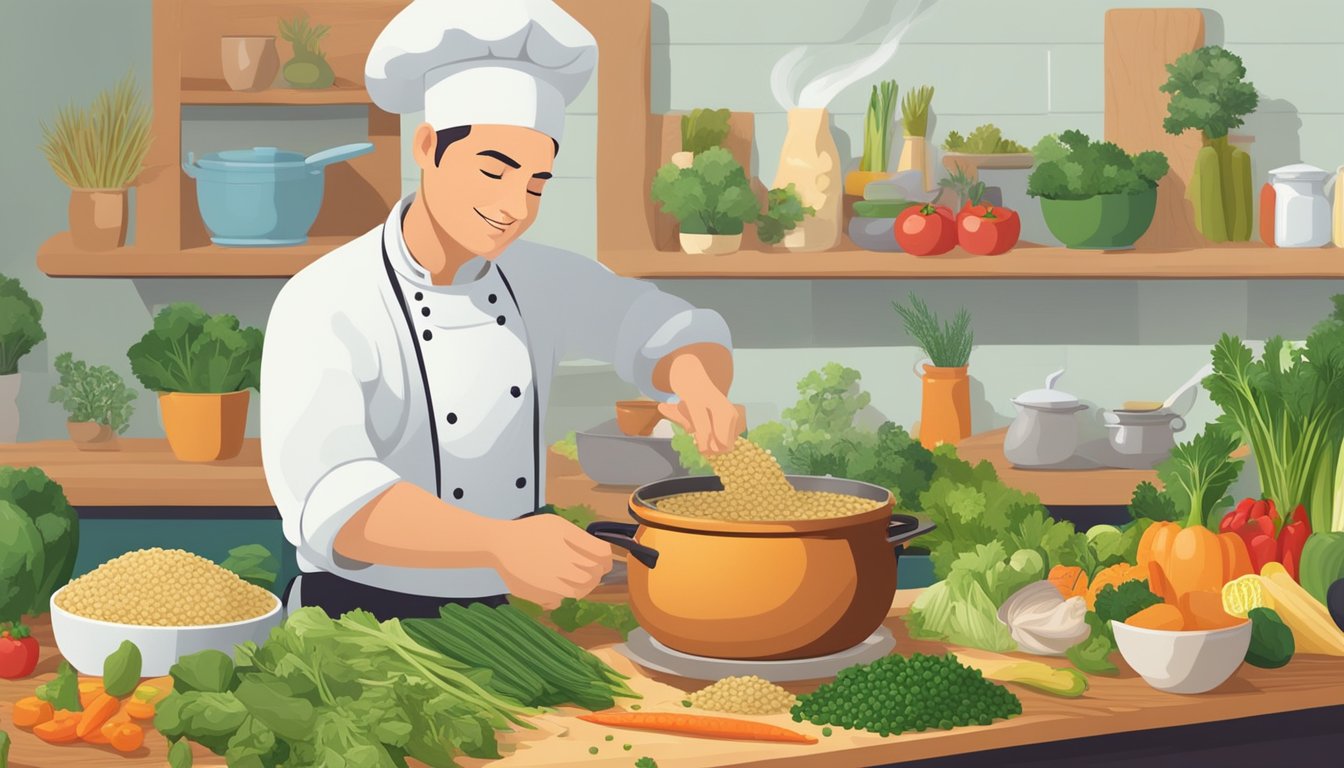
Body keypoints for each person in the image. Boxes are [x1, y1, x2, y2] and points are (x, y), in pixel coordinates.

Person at [260, 0, 741, 621]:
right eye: (494, 171)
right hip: (362, 620)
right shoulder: (323, 299)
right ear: (429, 147)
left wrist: (695, 379)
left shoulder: (536, 276)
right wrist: (498, 542)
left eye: (537, 182)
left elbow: (656, 325)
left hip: (509, 607)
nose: (516, 206)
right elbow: (334, 500)